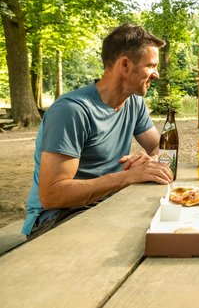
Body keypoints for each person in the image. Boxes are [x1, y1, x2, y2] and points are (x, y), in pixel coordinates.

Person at [22, 23, 173, 239]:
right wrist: (127, 177)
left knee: (172, 223)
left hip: (107, 204)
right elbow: (52, 195)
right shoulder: (71, 111)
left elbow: (160, 146)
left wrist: (152, 161)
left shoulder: (133, 103)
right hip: (57, 219)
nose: (156, 74)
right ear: (125, 65)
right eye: (151, 65)